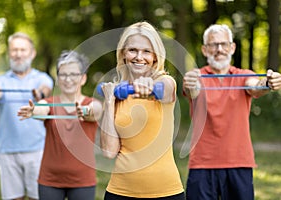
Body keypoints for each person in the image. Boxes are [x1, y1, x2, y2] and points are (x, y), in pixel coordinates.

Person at [183, 24, 281, 200]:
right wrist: (190, 84)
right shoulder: (196, 77)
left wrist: (268, 83)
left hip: (239, 162)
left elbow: (255, 86)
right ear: (205, 50)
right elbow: (192, 90)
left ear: (232, 48)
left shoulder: (243, 74)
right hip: (202, 164)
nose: (219, 50)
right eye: (213, 45)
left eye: (223, 44)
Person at [100, 21, 185, 200]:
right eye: (133, 50)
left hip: (166, 192)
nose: (139, 57)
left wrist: (150, 85)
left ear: (155, 56)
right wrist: (109, 102)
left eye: (146, 51)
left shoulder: (166, 82)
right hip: (120, 192)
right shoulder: (117, 94)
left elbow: (167, 91)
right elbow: (109, 151)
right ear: (123, 54)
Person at [17, 50, 103, 200]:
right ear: (57, 79)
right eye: (63, 74)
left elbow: (95, 111)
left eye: (73, 74)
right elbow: (42, 108)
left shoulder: (92, 103)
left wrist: (84, 111)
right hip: (49, 180)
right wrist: (34, 110)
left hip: (83, 181)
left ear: (83, 78)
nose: (68, 79)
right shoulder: (50, 103)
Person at [0, 32, 53, 200]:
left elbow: (45, 89)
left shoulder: (42, 78)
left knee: (38, 197)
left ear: (32, 53)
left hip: (38, 150)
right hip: (7, 151)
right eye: (14, 50)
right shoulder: (0, 81)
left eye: (23, 49)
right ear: (9, 53)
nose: (18, 54)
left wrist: (40, 94)